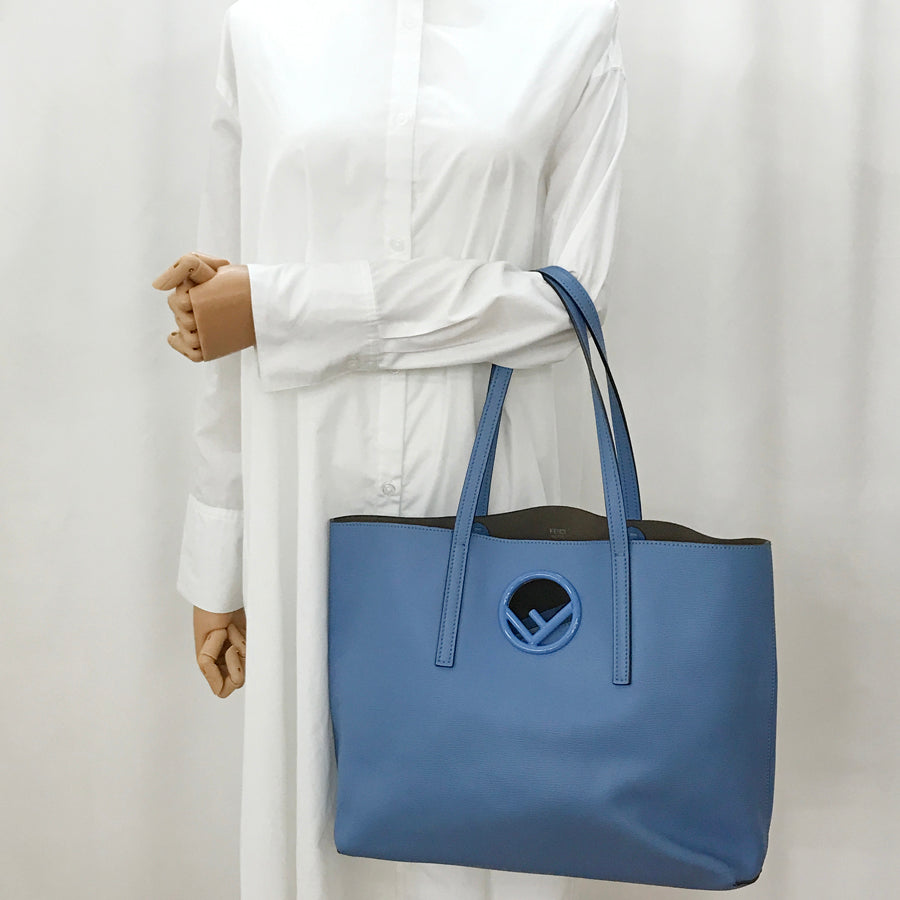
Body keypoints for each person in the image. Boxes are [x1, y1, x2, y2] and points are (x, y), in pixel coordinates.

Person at [151, 0, 629, 897]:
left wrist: (295, 308)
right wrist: (220, 555)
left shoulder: (571, 25)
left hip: (492, 487)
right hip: (303, 491)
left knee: (486, 829)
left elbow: (571, 304)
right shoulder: (263, 25)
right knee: (314, 820)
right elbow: (221, 312)